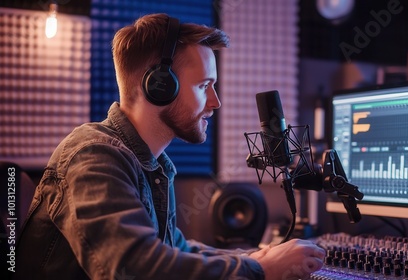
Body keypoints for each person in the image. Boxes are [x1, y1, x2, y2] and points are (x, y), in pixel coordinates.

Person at [13, 13, 325, 280]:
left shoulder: (152, 164)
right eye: (204, 86)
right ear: (160, 85)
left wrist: (258, 256)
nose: (216, 103)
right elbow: (133, 268)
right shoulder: (94, 155)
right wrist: (259, 269)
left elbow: (174, 249)